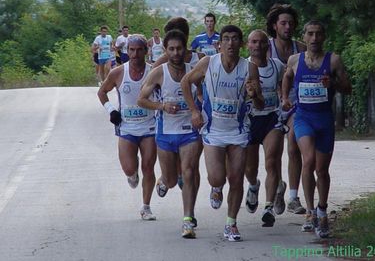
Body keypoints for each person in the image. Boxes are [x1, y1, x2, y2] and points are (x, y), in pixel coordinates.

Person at [181, 25, 264, 242]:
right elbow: (185, 82)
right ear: (219, 43)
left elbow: (261, 103)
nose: (230, 43)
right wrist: (194, 111)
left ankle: (231, 224)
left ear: (241, 44)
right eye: (226, 39)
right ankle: (216, 187)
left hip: (238, 130)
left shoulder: (250, 67)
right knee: (217, 177)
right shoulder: (209, 63)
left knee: (236, 178)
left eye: (235, 39)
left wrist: (254, 95)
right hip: (213, 130)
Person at [281, 20, 352, 238]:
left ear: (324, 37)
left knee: (321, 170)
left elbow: (348, 88)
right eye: (310, 34)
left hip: (324, 120)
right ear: (303, 36)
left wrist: (332, 84)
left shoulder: (333, 60)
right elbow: (286, 76)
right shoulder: (295, 59)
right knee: (308, 160)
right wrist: (284, 98)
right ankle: (310, 213)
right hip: (303, 118)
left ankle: (322, 210)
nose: (314, 39)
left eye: (318, 34)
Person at [137, 29, 202, 239]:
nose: (175, 53)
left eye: (179, 48)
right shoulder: (158, 72)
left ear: (185, 50)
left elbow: (203, 94)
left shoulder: (194, 70)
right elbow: (141, 100)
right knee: (172, 180)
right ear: (165, 50)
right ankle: (163, 180)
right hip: (165, 133)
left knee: (189, 172)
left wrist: (198, 108)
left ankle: (187, 220)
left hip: (189, 132)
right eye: (171, 49)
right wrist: (162, 106)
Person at [97, 34, 157, 221]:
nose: (135, 54)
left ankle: (146, 207)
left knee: (149, 166)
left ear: (146, 51)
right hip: (126, 128)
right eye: (131, 50)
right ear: (126, 51)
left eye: (139, 50)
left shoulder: (154, 71)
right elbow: (102, 92)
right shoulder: (118, 73)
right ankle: (132, 174)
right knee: (130, 169)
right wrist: (111, 110)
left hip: (149, 127)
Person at [266, 4, 307, 215]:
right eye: (283, 23)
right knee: (271, 156)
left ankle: (293, 197)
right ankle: (277, 185)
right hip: (270, 106)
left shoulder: (301, 48)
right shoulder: (265, 47)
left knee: (293, 145)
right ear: (274, 26)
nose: (288, 27)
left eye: (291, 23)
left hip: (294, 104)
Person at [244, 30, 286, 228]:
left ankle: (268, 207)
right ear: (248, 45)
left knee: (272, 161)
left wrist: (285, 100)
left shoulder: (277, 66)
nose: (258, 46)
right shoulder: (243, 67)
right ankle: (253, 186)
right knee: (250, 168)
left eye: (261, 42)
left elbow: (286, 86)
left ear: (267, 45)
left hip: (272, 118)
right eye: (254, 42)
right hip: (251, 120)